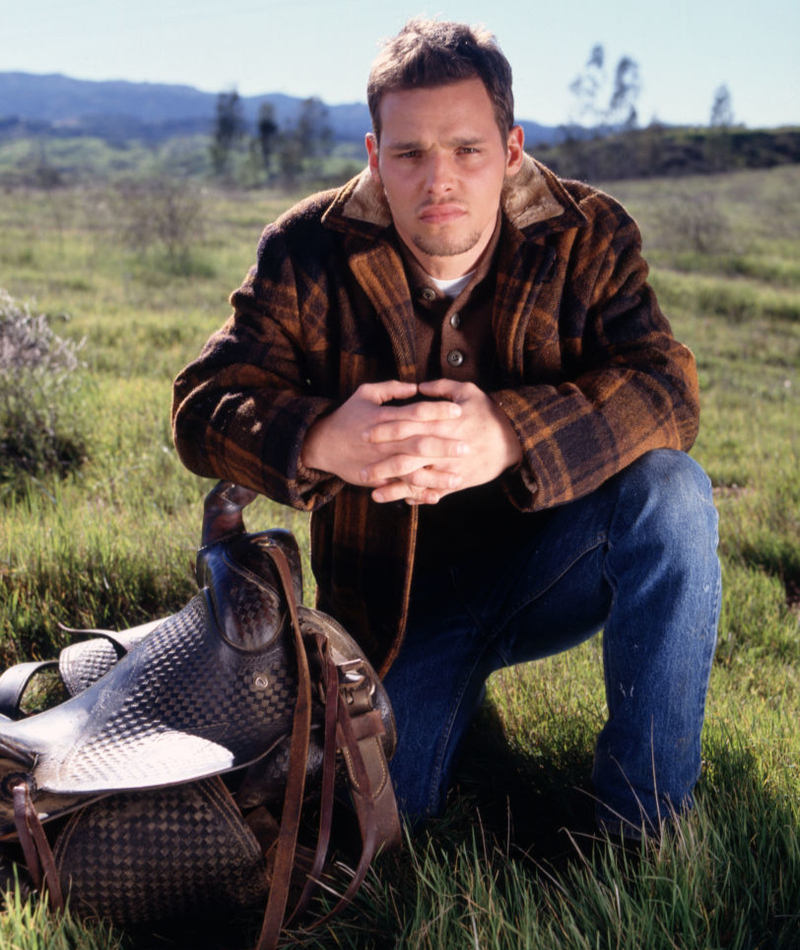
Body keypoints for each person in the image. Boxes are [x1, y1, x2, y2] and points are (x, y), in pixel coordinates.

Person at [172, 17, 720, 838]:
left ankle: (644, 827)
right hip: (394, 610)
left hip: (553, 564)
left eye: (467, 150)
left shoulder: (590, 234)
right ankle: (451, 707)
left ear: (510, 149)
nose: (440, 180)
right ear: (372, 156)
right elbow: (203, 402)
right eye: (410, 154)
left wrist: (510, 433)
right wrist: (322, 439)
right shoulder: (306, 247)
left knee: (672, 492)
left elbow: (667, 386)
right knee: (377, 824)